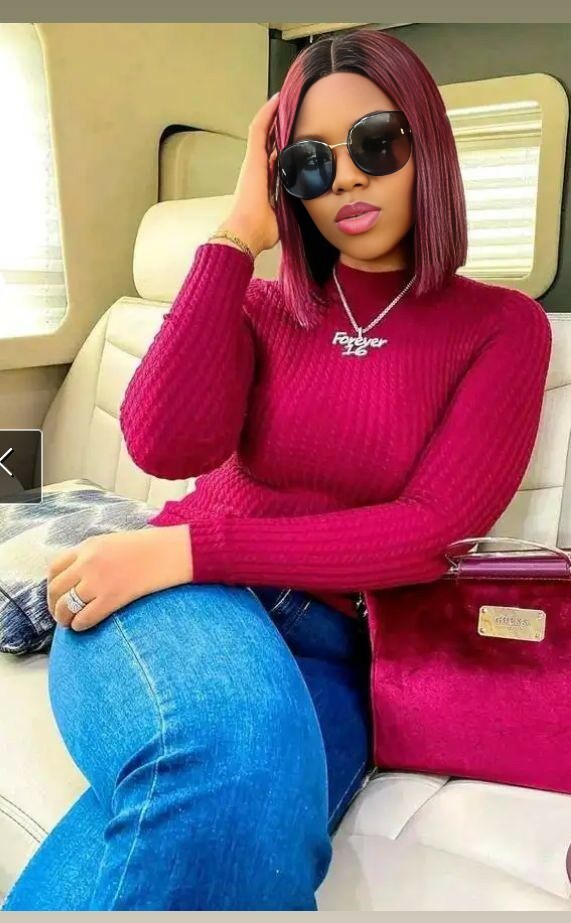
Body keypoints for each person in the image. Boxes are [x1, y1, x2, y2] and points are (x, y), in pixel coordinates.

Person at [1, 26, 552, 912]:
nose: (345, 178)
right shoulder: (259, 305)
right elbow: (161, 446)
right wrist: (233, 237)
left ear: (427, 145)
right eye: (308, 162)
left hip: (334, 646)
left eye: (375, 142)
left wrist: (195, 547)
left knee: (239, 818)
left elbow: (430, 533)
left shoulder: (501, 327)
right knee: (233, 769)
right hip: (174, 600)